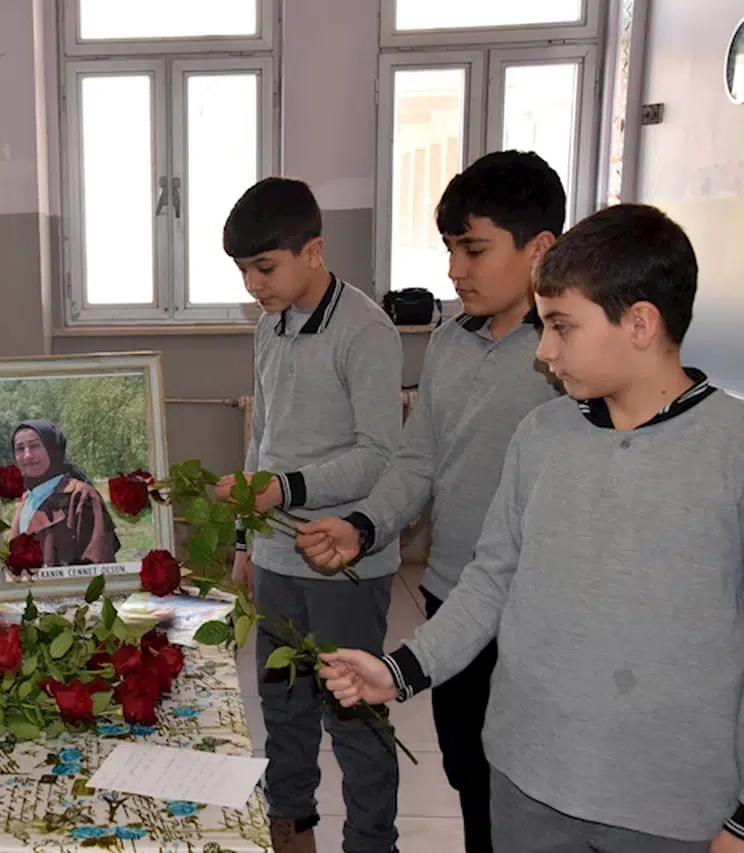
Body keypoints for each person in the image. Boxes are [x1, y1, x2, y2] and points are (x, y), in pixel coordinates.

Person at [318, 204, 744, 853]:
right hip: (528, 779)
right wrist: (398, 671)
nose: (544, 352)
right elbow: (490, 582)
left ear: (640, 322)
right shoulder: (542, 435)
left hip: (670, 807)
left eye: (562, 327)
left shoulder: (731, 449)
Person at [295, 150, 565, 853]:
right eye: (449, 249)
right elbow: (418, 460)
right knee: (469, 771)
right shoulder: (449, 342)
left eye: (474, 250)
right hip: (453, 595)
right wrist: (362, 525)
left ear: (540, 249)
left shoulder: (569, 355)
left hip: (539, 609)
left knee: (533, 791)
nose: (454, 270)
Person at [217, 177, 404, 853]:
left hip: (344, 563)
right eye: (243, 270)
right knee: (284, 709)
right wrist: (246, 537)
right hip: (276, 560)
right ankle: (290, 829)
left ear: (314, 251)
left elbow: (380, 457)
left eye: (264, 268)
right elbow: (262, 440)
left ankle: (372, 842)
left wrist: (284, 490)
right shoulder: (268, 328)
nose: (253, 285)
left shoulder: (366, 331)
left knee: (354, 719)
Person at [6, 419, 121, 568]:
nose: (27, 455)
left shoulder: (81, 496)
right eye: (20, 448)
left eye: (34, 446)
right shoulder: (25, 500)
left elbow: (98, 562)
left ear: (53, 449)